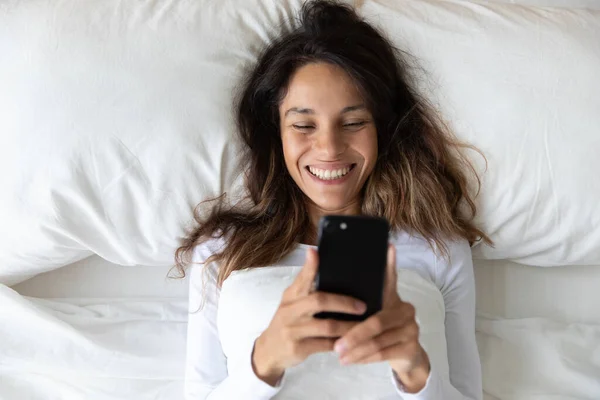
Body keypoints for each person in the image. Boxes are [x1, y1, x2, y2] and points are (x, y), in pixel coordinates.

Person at [176, 1, 491, 398]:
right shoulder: (222, 249)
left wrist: (415, 371)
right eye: (304, 125)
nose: (329, 148)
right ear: (276, 133)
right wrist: (263, 363)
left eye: (354, 122)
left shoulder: (440, 249)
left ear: (382, 128)